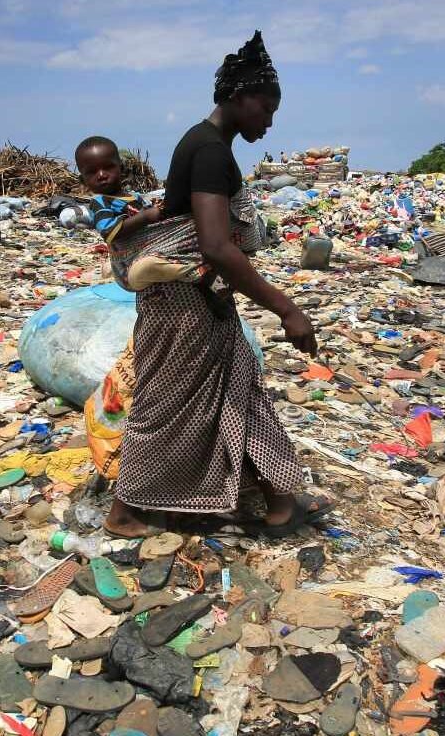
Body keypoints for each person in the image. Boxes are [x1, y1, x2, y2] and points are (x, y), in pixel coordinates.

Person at [104, 30, 332, 538]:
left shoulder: (206, 143)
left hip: (199, 297)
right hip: (184, 302)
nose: (269, 121)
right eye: (265, 108)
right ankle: (126, 510)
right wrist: (285, 307)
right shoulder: (208, 151)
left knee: (237, 389)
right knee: (170, 402)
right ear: (236, 97)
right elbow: (214, 245)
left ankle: (278, 498)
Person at [76, 136, 209, 290]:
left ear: (122, 168)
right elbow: (108, 231)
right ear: (83, 180)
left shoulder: (136, 197)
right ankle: (200, 272)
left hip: (151, 251)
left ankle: (200, 269)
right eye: (92, 172)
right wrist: (145, 217)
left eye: (108, 167)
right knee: (146, 267)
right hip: (129, 269)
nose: (101, 175)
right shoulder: (100, 202)